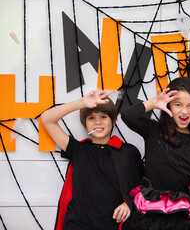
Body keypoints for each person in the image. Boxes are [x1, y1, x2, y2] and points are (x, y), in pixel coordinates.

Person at [121, 77, 190, 230]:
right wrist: (153, 103)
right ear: (169, 106)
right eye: (178, 105)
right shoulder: (153, 130)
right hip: (152, 212)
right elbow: (127, 116)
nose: (184, 111)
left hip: (186, 216)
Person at [40, 90, 143, 230]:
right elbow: (47, 119)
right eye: (91, 118)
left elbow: (142, 187)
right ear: (85, 124)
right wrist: (81, 103)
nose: (98, 122)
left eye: (103, 116)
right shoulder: (78, 150)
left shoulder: (128, 152)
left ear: (113, 121)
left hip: (112, 224)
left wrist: (129, 203)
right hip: (77, 224)